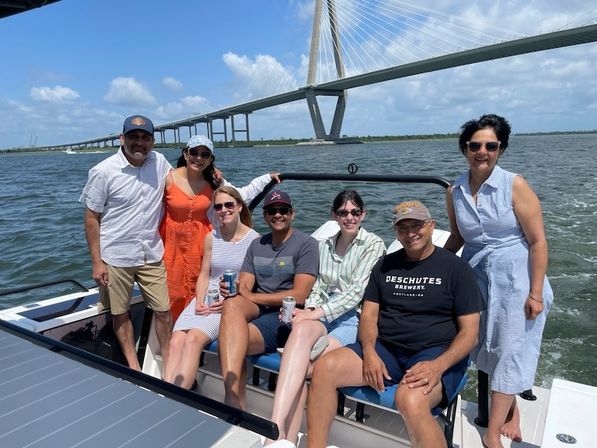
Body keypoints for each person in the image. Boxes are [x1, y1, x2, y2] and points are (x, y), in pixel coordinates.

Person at [306, 200, 484, 448]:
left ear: (431, 226)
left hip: (435, 352)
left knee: (409, 400)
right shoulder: (385, 265)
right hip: (386, 349)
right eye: (403, 228)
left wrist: (438, 366)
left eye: (417, 225)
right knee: (324, 369)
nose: (411, 233)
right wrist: (368, 352)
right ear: (396, 233)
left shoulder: (456, 268)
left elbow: (470, 333)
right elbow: (368, 316)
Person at [444, 114, 554, 448]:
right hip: (476, 277)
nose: (482, 151)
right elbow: (457, 238)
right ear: (465, 149)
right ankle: (512, 412)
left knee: (510, 350)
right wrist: (430, 266)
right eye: (475, 145)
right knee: (487, 347)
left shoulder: (514, 185)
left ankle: (492, 434)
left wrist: (535, 292)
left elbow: (538, 241)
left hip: (517, 279)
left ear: (500, 149)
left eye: (490, 145)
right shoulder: (455, 190)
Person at [267, 190, 386, 444]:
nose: (349, 217)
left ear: (363, 214)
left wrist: (315, 313)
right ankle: (276, 430)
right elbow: (318, 286)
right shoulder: (325, 246)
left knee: (305, 366)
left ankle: (281, 438)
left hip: (354, 317)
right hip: (324, 311)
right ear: (334, 215)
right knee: (299, 331)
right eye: (343, 212)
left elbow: (357, 293)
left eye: (355, 212)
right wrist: (308, 311)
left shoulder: (374, 245)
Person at [80, 115, 173, 370]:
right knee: (120, 313)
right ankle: (134, 367)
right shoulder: (103, 171)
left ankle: (169, 364)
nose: (139, 143)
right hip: (116, 256)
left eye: (145, 138)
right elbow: (91, 219)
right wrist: (97, 263)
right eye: (133, 136)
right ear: (122, 138)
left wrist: (212, 174)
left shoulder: (160, 162)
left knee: (164, 310)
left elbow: (184, 181)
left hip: (151, 253)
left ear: (153, 141)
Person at [218, 189, 319, 409]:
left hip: (285, 316)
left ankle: (232, 402)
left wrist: (253, 295)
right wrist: (230, 287)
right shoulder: (257, 245)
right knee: (231, 302)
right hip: (258, 308)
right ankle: (233, 398)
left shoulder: (306, 244)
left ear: (292, 214)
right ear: (265, 215)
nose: (278, 214)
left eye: (283, 210)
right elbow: (244, 285)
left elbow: (300, 294)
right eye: (272, 210)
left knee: (233, 340)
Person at [160, 134, 279, 321]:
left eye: (205, 155)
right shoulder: (167, 179)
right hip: (172, 245)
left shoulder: (214, 183)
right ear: (185, 154)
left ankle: (196, 330)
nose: (199, 158)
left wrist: (266, 179)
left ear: (210, 160)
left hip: (202, 243)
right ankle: (175, 335)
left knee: (198, 288)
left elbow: (240, 195)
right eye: (194, 152)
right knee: (172, 293)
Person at [163, 186, 259, 389]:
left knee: (193, 340)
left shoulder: (254, 240)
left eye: (229, 205)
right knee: (176, 340)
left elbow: (251, 283)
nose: (224, 210)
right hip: (205, 297)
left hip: (230, 302)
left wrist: (228, 302)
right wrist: (198, 302)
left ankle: (179, 396)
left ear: (240, 207)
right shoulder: (211, 238)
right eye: (218, 207)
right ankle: (166, 393)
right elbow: (205, 274)